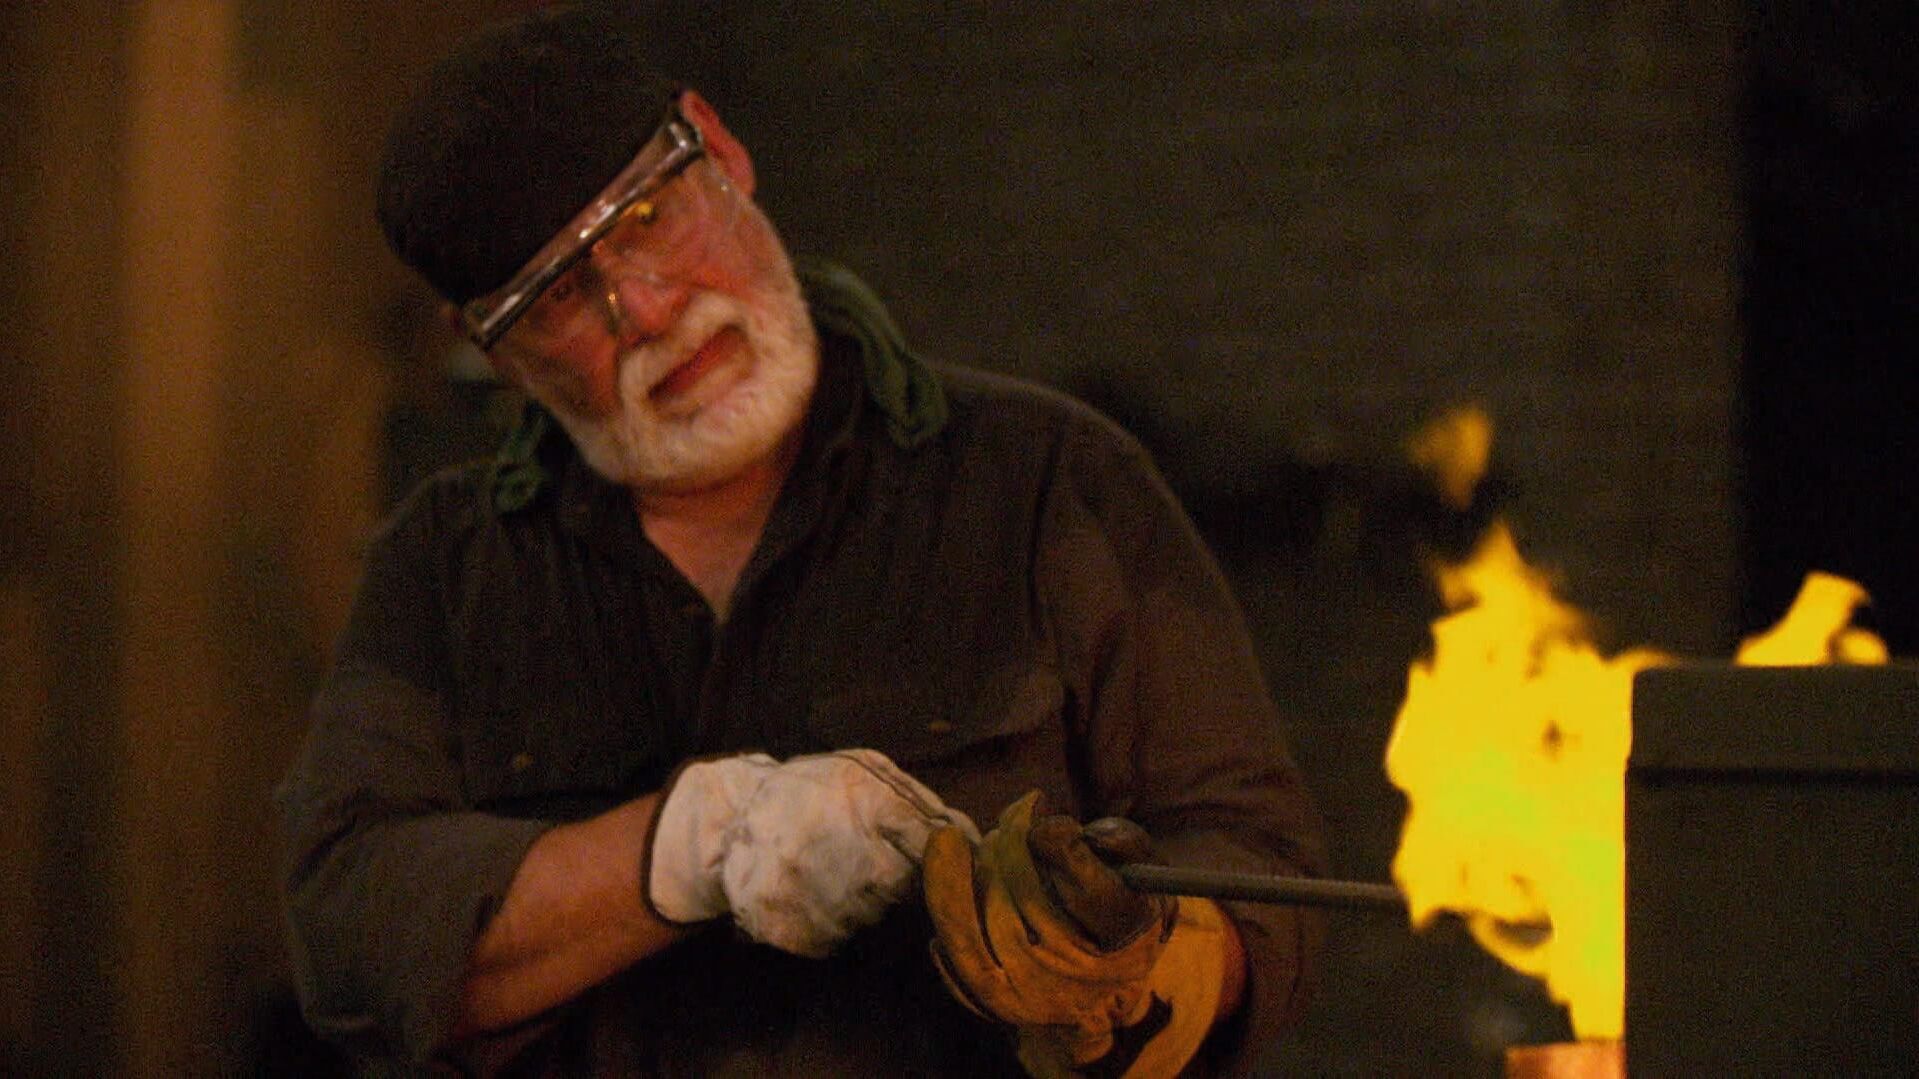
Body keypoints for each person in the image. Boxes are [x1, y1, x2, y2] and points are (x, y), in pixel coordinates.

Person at [276, 5, 1326, 1075]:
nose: (641, 308)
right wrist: (693, 844)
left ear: (718, 145)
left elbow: (1257, 861)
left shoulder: (1047, 482)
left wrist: (1155, 963)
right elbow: (351, 937)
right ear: (492, 349)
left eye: (646, 215)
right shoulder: (446, 567)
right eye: (555, 298)